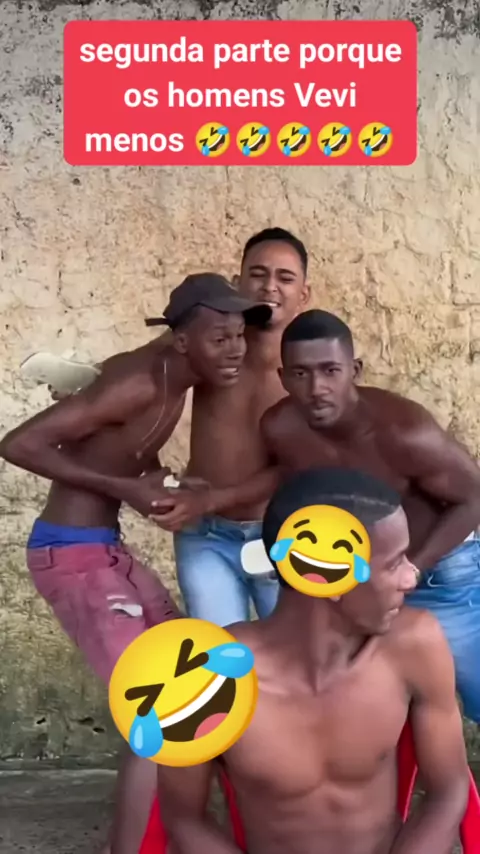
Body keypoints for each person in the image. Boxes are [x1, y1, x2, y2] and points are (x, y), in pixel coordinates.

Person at [0, 272, 271, 854]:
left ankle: (203, 827)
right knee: (157, 707)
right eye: (219, 338)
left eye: (238, 337)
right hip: (70, 556)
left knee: (198, 675)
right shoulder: (140, 382)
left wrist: (162, 484)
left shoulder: (173, 375)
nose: (235, 350)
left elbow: (118, 451)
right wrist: (126, 486)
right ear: (182, 341)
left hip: (105, 552)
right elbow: (17, 444)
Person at [157, 467, 470, 854]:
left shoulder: (413, 645)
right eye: (393, 563)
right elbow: (184, 817)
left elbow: (450, 789)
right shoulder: (203, 678)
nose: (410, 577)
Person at [258, 308, 480, 724]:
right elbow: (299, 491)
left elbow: (474, 498)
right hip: (363, 581)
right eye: (301, 374)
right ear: (283, 378)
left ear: (354, 370)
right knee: (377, 705)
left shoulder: (404, 432)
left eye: (330, 371)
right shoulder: (281, 429)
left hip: (441, 571)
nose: (317, 389)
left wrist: (412, 568)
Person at [152, 228, 310, 626]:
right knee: (221, 654)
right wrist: (90, 387)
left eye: (285, 277)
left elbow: (297, 464)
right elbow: (142, 377)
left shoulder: (310, 367)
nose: (269, 286)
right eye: (257, 274)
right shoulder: (209, 342)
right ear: (238, 282)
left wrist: (212, 498)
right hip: (205, 537)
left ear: (304, 294)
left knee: (292, 653)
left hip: (283, 534)